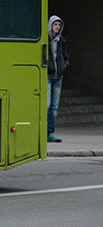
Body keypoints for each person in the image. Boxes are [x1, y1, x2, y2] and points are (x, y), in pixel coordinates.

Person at [46, 15, 69, 143]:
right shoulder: (45, 39)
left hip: (58, 76)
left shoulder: (62, 40)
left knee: (54, 107)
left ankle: (50, 133)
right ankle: (42, 132)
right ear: (50, 25)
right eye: (55, 24)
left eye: (59, 25)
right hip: (48, 76)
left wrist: (63, 67)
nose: (57, 27)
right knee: (47, 105)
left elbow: (66, 57)